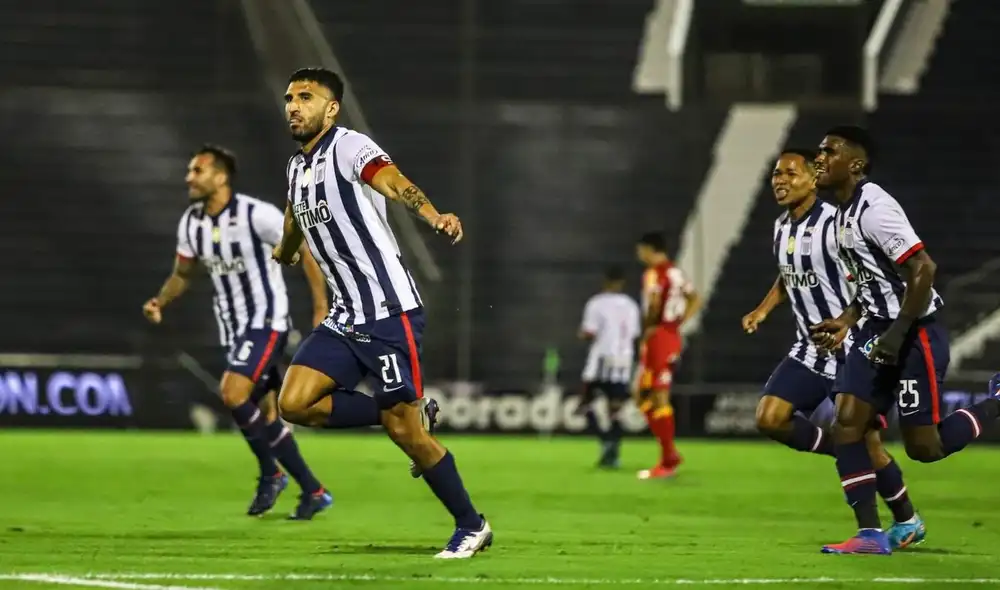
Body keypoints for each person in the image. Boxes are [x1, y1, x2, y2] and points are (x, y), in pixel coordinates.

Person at [271, 67, 491, 559]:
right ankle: (408, 411)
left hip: (388, 312)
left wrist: (433, 215)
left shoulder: (349, 146)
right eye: (289, 97)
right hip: (345, 316)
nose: (293, 105)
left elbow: (392, 181)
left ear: (331, 109)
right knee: (294, 403)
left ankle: (471, 524)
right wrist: (287, 249)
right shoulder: (296, 167)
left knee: (405, 434)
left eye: (306, 97)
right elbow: (295, 213)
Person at [811, 125, 1000, 554]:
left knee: (925, 448)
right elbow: (872, 282)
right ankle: (870, 533)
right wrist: (847, 319)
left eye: (829, 151)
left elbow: (924, 270)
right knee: (846, 424)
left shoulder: (875, 208)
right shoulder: (841, 215)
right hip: (877, 330)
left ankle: (997, 401)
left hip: (914, 333)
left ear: (855, 165)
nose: (819, 158)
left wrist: (897, 336)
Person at [743, 149, 924, 549]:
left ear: (812, 178)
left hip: (852, 346)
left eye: (790, 173)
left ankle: (898, 523)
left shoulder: (835, 224)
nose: (780, 180)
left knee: (870, 447)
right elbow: (788, 272)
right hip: (809, 348)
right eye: (776, 173)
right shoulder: (780, 226)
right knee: (770, 418)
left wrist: (850, 323)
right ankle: (841, 451)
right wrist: (762, 309)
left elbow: (868, 279)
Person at [142, 144, 332, 520]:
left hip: (267, 321)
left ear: (221, 176)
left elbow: (304, 249)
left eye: (197, 170)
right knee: (267, 415)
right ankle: (314, 491)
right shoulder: (191, 223)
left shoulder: (255, 214)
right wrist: (160, 302)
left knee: (232, 392)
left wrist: (320, 306)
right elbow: (183, 274)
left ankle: (270, 474)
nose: (189, 178)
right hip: (233, 329)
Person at [633, 232, 702, 480]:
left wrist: (653, 327)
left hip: (659, 337)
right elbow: (695, 298)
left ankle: (667, 462)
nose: (639, 255)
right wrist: (679, 322)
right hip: (667, 335)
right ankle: (669, 453)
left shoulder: (654, 274)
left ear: (649, 249)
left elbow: (653, 304)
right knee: (642, 395)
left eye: (641, 250)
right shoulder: (675, 272)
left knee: (658, 396)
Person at [577, 266, 642, 468]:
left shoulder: (597, 303)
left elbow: (590, 332)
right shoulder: (631, 305)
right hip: (623, 362)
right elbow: (634, 334)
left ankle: (606, 441)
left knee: (585, 405)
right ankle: (613, 453)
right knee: (615, 410)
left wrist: (582, 335)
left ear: (605, 281)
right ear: (622, 283)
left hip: (601, 361)